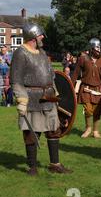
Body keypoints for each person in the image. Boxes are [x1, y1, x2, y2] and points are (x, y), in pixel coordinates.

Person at [9, 23, 72, 175]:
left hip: (48, 97)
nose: (42, 37)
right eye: (40, 35)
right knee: (31, 133)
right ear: (32, 37)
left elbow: (51, 75)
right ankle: (32, 167)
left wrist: (55, 93)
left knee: (54, 130)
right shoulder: (21, 53)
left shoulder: (42, 52)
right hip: (32, 98)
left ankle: (55, 164)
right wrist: (22, 100)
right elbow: (15, 79)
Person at [71, 38, 101, 138]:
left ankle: (96, 131)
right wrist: (71, 85)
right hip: (86, 89)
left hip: (98, 89)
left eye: (99, 49)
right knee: (88, 109)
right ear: (91, 49)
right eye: (96, 49)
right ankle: (88, 128)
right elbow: (75, 73)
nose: (99, 51)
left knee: (97, 111)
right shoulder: (83, 59)